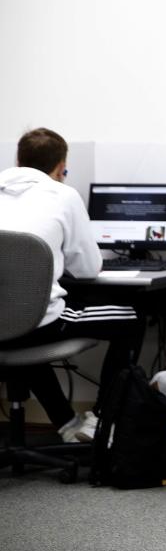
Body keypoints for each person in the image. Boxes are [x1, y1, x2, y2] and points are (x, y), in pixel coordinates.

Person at [0, 128, 143, 442]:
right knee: (131, 317)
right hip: (34, 321)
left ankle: (67, 424)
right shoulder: (62, 195)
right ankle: (103, 418)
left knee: (18, 329)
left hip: (5, 324)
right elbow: (88, 268)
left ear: (18, 159)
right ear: (60, 167)